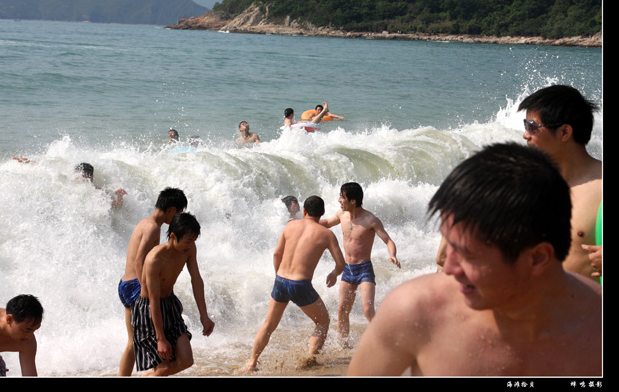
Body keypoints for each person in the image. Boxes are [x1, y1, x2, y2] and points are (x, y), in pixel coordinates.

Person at [347, 143, 602, 376]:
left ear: (536, 259)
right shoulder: (415, 311)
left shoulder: (595, 328)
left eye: (468, 254)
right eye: (448, 243)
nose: (447, 266)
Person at [244, 196, 345, 372]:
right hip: (301, 285)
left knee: (269, 324)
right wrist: (334, 274)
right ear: (321, 214)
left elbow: (276, 254)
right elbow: (341, 264)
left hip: (281, 281)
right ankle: (310, 361)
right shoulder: (327, 234)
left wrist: (279, 277)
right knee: (323, 321)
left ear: (304, 211)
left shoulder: (290, 226)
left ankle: (252, 363)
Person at [518, 85, 602, 282]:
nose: (525, 135)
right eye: (525, 125)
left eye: (532, 126)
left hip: (584, 310)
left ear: (564, 132)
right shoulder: (527, 184)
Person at [132, 212, 215, 376]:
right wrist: (160, 338)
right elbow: (153, 300)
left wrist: (204, 315)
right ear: (172, 236)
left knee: (186, 360)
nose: (190, 245)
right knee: (164, 368)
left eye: (193, 241)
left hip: (170, 305)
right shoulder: (154, 259)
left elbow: (196, 280)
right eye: (187, 241)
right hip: (148, 311)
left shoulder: (189, 249)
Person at [118, 187, 188, 376]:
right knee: (156, 344)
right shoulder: (153, 228)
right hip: (135, 287)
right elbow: (139, 260)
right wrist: (146, 292)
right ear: (172, 209)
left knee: (133, 342)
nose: (176, 219)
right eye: (179, 213)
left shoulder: (145, 222)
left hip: (125, 284)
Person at [320, 182, 400, 345]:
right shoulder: (341, 215)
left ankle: (386, 341)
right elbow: (327, 223)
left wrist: (392, 255)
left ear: (353, 201)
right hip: (348, 269)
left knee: (367, 309)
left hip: (364, 269)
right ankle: (344, 344)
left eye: (342, 197)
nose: (339, 200)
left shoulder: (370, 220)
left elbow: (388, 240)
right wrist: (303, 221)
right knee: (342, 310)